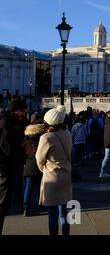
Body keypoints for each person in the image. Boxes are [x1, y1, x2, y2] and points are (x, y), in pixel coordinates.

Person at [35, 105, 72, 235]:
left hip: (52, 175)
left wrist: (44, 169)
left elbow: (39, 159)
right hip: (66, 173)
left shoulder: (46, 137)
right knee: (63, 212)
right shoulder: (67, 133)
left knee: (52, 214)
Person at [0, 98, 28, 234]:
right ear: (15, 110)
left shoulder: (13, 122)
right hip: (5, 167)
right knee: (3, 201)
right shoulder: (6, 123)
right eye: (22, 110)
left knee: (5, 201)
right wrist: (23, 152)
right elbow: (8, 148)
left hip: (9, 165)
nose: (24, 113)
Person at [22, 115, 45, 217]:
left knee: (28, 186)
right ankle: (42, 202)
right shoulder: (42, 134)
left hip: (29, 162)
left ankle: (26, 207)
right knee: (42, 184)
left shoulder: (26, 134)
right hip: (40, 163)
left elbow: (23, 148)